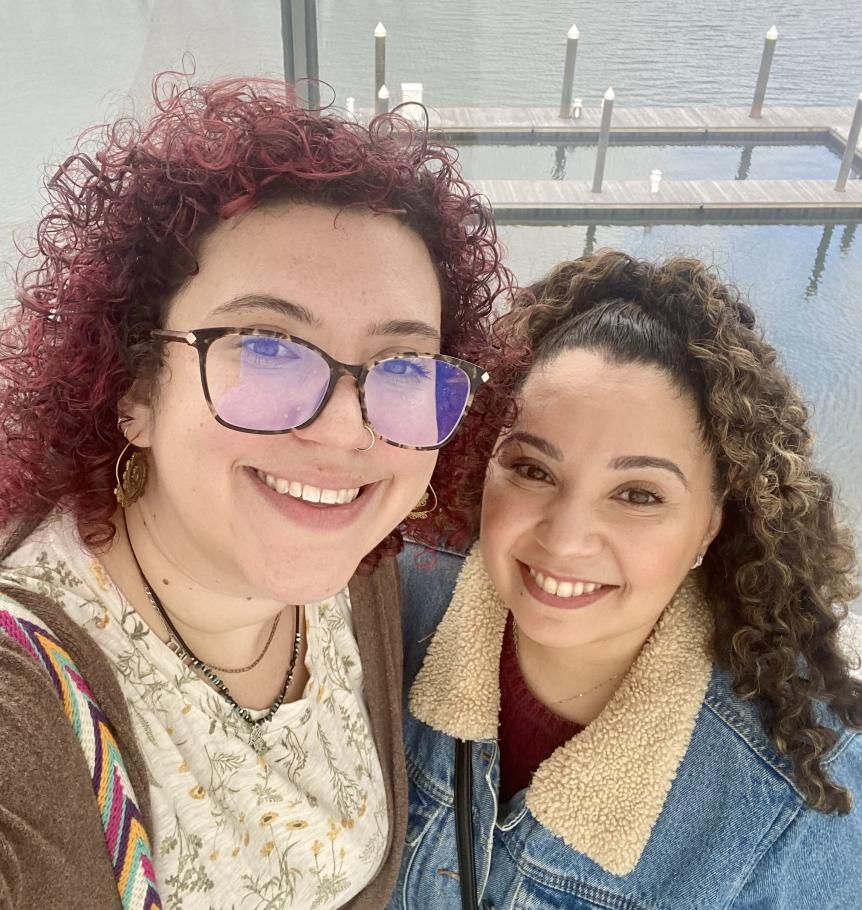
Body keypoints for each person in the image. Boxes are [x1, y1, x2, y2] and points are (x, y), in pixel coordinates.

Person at [0, 75, 509, 910]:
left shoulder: (361, 569)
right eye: (270, 346)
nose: (349, 431)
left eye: (404, 364)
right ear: (135, 387)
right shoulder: (25, 714)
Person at [391, 249, 862, 909]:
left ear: (711, 525)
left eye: (638, 494)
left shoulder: (793, 804)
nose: (565, 538)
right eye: (532, 469)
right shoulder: (395, 609)